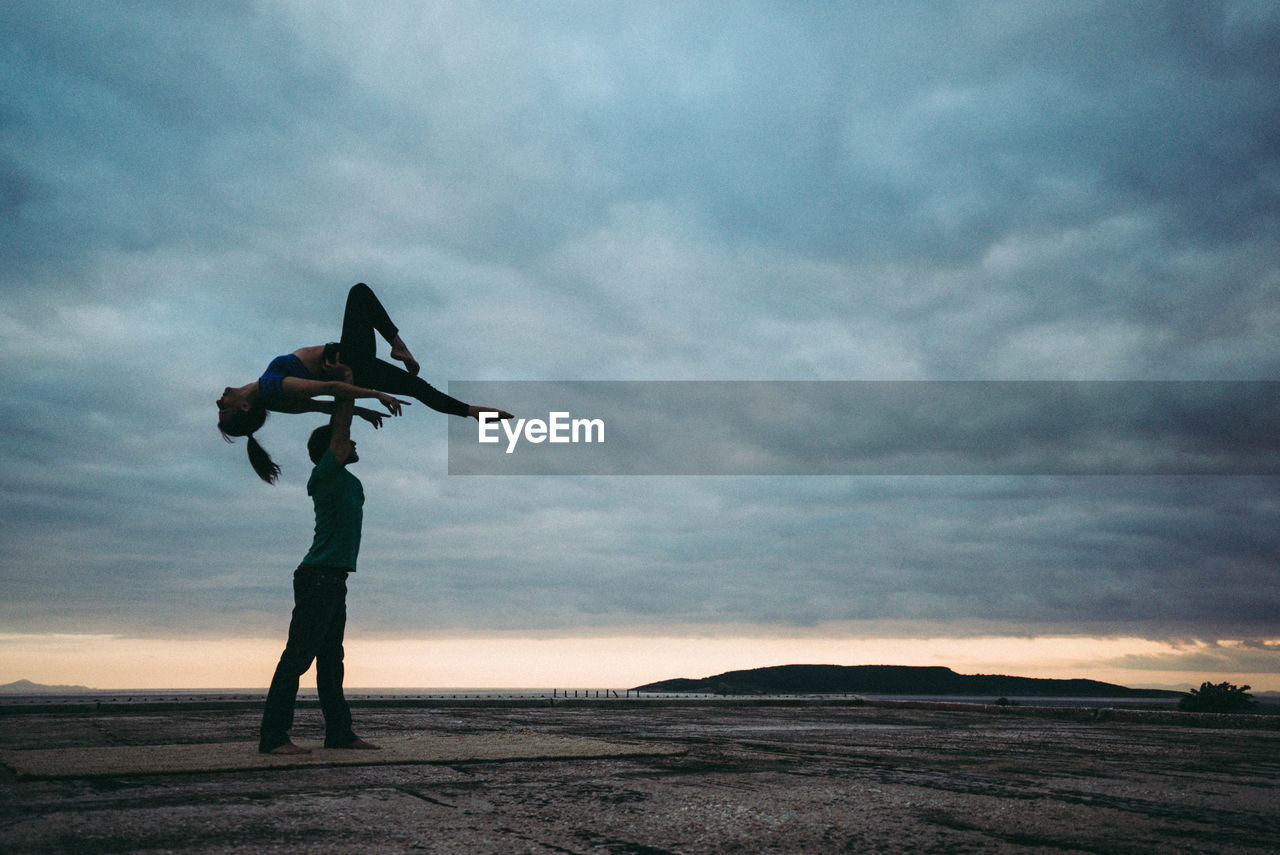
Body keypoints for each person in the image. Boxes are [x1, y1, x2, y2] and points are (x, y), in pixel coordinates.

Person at [219, 282, 511, 483]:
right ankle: (400, 347)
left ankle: (472, 412)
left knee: (417, 388)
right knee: (359, 293)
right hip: (348, 361)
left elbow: (324, 409)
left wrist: (362, 410)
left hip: (354, 367)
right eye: (224, 409)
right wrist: (375, 395)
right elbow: (329, 390)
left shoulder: (273, 398)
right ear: (244, 407)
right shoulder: (273, 387)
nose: (219, 402)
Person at [258, 397, 378, 754]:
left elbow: (342, 432)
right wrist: (347, 393)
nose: (354, 443)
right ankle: (273, 737)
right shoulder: (325, 473)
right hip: (318, 578)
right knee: (298, 658)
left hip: (335, 580)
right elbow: (342, 427)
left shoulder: (347, 480)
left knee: (331, 661)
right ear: (331, 449)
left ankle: (339, 733)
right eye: (346, 440)